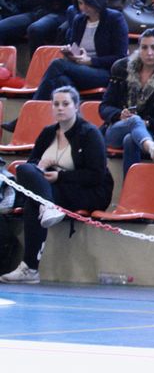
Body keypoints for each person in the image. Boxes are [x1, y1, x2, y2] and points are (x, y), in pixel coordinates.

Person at [0, 86, 114, 285]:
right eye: (56, 104)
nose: (60, 108)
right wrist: (42, 166)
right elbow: (32, 165)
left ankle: (30, 268)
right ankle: (47, 207)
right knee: (24, 169)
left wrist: (60, 176)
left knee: (34, 202)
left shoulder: (90, 133)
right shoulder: (48, 133)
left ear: (76, 107)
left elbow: (96, 175)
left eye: (65, 104)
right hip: (54, 188)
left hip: (89, 191)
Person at [29, 0, 128, 103]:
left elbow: (120, 58)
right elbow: (76, 48)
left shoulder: (115, 19)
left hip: (105, 72)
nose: (84, 7)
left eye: (88, 3)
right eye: (80, 3)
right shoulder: (79, 20)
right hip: (81, 70)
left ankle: (33, 106)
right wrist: (71, 52)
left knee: (57, 64)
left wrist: (90, 61)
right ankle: (77, 111)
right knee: (61, 81)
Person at [99, 28, 154, 177]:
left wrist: (147, 123)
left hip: (150, 130)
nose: (149, 52)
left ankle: (130, 187)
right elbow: (104, 107)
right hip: (116, 129)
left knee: (130, 140)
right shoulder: (121, 68)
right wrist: (119, 114)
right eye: (144, 47)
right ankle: (152, 148)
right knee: (134, 120)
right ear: (138, 49)